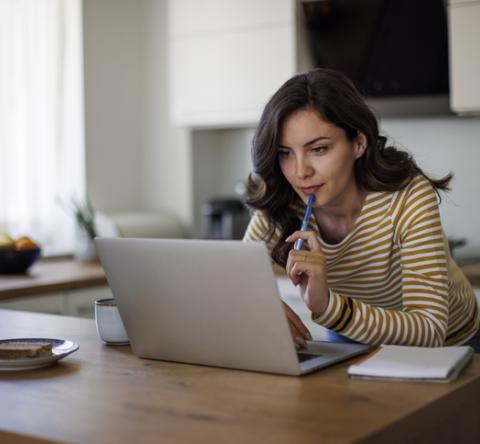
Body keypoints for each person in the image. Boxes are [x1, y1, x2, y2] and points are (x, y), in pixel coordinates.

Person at [243, 68, 479, 350]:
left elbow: (430, 329)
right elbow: (234, 281)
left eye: (319, 149)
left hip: (453, 345)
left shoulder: (408, 197)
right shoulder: (282, 204)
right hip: (350, 336)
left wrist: (328, 306)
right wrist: (257, 304)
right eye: (285, 153)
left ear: (358, 142)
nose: (300, 172)